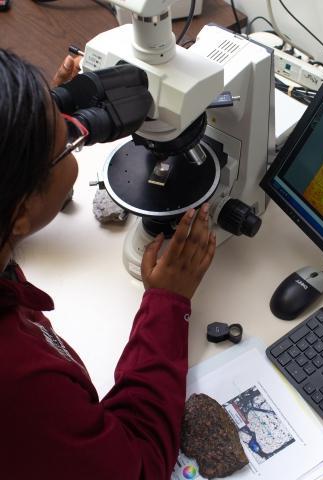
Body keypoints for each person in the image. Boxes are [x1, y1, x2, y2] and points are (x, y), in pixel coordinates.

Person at [0, 49, 216, 479]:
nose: (75, 135)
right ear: (19, 212)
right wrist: (167, 304)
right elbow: (136, 468)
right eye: (65, 142)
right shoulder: (20, 382)